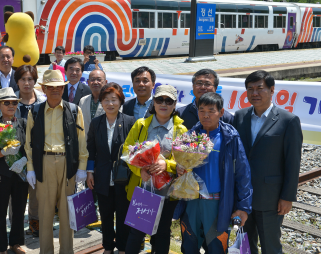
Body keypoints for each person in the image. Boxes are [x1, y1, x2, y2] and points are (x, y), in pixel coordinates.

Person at [233, 70, 302, 254]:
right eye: (250, 89)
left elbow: (293, 162)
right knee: (245, 246)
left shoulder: (288, 121)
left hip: (271, 198)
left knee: (271, 246)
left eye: (260, 88)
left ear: (272, 90)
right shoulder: (239, 116)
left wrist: (287, 197)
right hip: (242, 197)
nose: (254, 93)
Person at [180, 92, 253, 254]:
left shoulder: (230, 137)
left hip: (217, 205)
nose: (206, 115)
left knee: (217, 248)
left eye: (211, 110)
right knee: (188, 247)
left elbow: (243, 174)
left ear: (221, 113)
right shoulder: (191, 136)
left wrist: (243, 207)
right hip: (192, 202)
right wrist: (179, 167)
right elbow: (181, 165)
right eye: (202, 110)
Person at [24, 70, 88, 254]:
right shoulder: (35, 111)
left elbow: (81, 141)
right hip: (44, 163)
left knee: (67, 213)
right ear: (44, 88)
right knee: (45, 213)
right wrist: (30, 168)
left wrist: (82, 168)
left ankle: (66, 251)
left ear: (63, 88)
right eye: (51, 87)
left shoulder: (74, 110)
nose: (55, 90)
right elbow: (29, 143)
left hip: (67, 163)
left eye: (59, 87)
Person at [123, 85, 188, 254]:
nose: (164, 104)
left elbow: (186, 161)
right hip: (142, 190)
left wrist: (168, 165)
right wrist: (140, 171)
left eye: (169, 100)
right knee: (136, 232)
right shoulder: (141, 125)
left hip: (168, 193)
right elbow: (125, 151)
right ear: (153, 102)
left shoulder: (180, 129)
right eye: (160, 99)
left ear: (175, 105)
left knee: (162, 234)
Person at [86, 83, 135, 254]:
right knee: (105, 215)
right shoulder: (96, 123)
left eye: (114, 99)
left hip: (123, 177)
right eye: (106, 100)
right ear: (101, 102)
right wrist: (90, 172)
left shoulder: (129, 122)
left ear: (120, 101)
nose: (110, 103)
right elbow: (90, 149)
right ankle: (107, 246)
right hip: (102, 176)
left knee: (123, 215)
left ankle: (122, 247)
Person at [0, 88, 28, 254]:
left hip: (21, 173)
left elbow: (31, 146)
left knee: (19, 210)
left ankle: (16, 243)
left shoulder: (23, 123)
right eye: (7, 102)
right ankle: (1, 246)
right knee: (0, 211)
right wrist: (3, 152)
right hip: (0, 174)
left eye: (14, 102)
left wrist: (24, 159)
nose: (11, 105)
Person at [13, 65, 46, 238]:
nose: (27, 83)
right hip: (15, 157)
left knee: (36, 194)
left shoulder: (43, 102)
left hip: (38, 156)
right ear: (17, 81)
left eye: (30, 79)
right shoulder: (10, 101)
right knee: (16, 195)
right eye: (23, 79)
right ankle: (16, 230)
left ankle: (35, 224)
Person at [78, 69, 108, 139]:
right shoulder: (83, 101)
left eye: (99, 79)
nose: (95, 82)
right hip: (85, 144)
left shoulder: (111, 102)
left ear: (105, 82)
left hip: (104, 143)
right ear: (88, 82)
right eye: (92, 79)